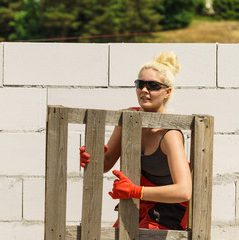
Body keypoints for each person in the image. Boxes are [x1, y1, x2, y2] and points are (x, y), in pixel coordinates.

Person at [79, 51, 192, 230]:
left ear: (167, 92)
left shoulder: (169, 134)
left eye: (153, 86)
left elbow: (184, 191)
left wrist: (134, 191)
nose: (144, 90)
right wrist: (91, 159)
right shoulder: (128, 118)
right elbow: (106, 164)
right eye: (140, 84)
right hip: (139, 203)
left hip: (169, 208)